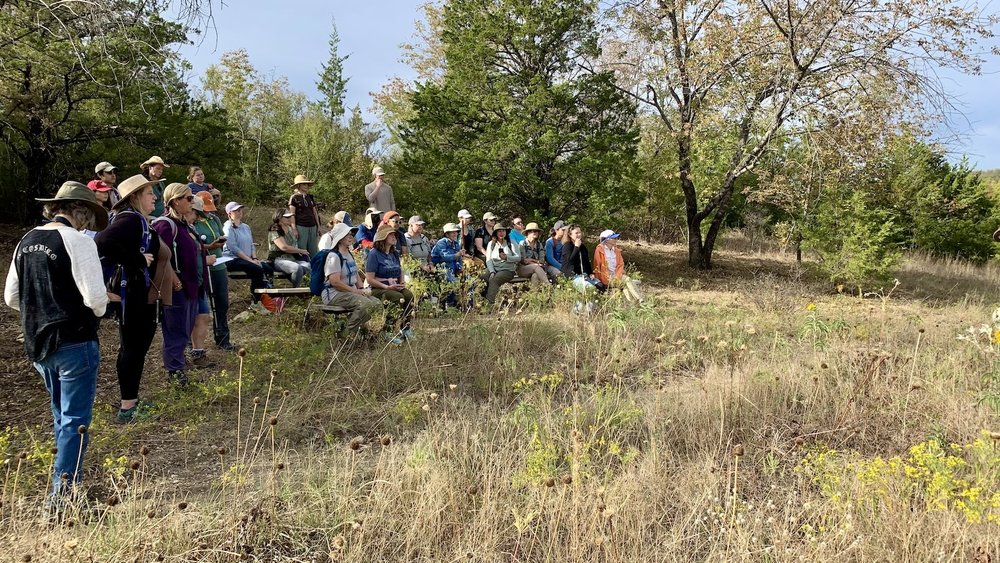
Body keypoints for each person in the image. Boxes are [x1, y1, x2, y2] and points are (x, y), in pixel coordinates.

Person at [4, 182, 109, 501]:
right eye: (89, 216)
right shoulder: (78, 241)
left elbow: (11, 296)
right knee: (75, 422)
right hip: (74, 341)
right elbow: (96, 300)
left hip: (39, 343)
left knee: (62, 417)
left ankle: (65, 483)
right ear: (83, 213)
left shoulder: (27, 239)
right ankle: (62, 497)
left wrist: (44, 305)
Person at [96, 174, 176, 424]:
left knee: (136, 348)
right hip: (132, 294)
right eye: (149, 193)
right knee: (132, 348)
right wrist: (137, 259)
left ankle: (131, 400)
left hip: (139, 293)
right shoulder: (130, 218)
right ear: (134, 197)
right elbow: (103, 240)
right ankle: (127, 406)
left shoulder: (138, 219)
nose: (154, 196)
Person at [153, 183, 213, 385]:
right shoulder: (165, 225)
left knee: (184, 329)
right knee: (176, 330)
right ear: (175, 201)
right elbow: (161, 257)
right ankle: (175, 372)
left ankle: (178, 367)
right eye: (188, 198)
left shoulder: (185, 225)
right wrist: (175, 281)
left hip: (192, 286)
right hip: (177, 289)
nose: (192, 202)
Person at [321, 223, 382, 338]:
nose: (351, 236)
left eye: (351, 234)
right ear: (339, 237)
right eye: (347, 234)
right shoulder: (333, 256)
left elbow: (355, 275)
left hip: (349, 292)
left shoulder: (349, 254)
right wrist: (356, 292)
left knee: (377, 304)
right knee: (366, 304)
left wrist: (361, 289)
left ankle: (355, 330)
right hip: (334, 294)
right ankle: (346, 334)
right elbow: (335, 283)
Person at [191, 192, 235, 351]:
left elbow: (221, 236)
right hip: (202, 266)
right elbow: (192, 245)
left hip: (219, 264)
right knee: (200, 306)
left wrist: (220, 243)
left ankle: (223, 337)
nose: (209, 212)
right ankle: (193, 343)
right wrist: (208, 247)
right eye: (206, 209)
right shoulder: (192, 222)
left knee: (222, 303)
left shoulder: (214, 219)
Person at [365, 225, 414, 344]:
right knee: (397, 298)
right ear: (383, 237)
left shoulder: (394, 253)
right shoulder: (374, 254)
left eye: (394, 235)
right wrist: (386, 287)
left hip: (394, 286)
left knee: (409, 296)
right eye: (390, 235)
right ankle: (387, 330)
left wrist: (401, 282)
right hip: (378, 288)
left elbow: (400, 270)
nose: (394, 237)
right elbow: (369, 279)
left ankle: (405, 328)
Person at [223, 202, 275, 314]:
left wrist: (255, 258)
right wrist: (250, 261)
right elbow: (234, 248)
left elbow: (251, 244)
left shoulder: (245, 227)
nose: (239, 212)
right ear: (229, 213)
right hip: (232, 259)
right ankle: (255, 302)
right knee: (257, 269)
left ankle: (269, 299)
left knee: (269, 268)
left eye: (240, 209)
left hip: (248, 259)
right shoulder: (228, 227)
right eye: (236, 210)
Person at [560, 224, 605, 313]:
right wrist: (576, 247)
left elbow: (586, 262)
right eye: (576, 233)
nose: (579, 235)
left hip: (584, 275)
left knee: (600, 286)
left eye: (580, 232)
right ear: (570, 234)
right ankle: (585, 311)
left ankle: (593, 309)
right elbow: (570, 262)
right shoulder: (567, 246)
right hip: (572, 276)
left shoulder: (583, 247)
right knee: (589, 289)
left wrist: (590, 273)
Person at [593, 229, 644, 302]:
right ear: (606, 240)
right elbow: (597, 265)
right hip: (606, 277)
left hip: (617, 275)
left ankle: (633, 304)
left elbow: (620, 264)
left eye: (615, 237)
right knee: (627, 280)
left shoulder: (616, 250)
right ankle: (640, 299)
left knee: (625, 284)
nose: (616, 239)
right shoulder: (599, 250)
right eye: (613, 238)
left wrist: (619, 274)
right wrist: (599, 280)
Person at [267, 209, 311, 287]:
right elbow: (284, 247)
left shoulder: (290, 229)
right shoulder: (274, 230)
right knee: (296, 268)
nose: (290, 218)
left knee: (307, 266)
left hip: (291, 258)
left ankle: (305, 289)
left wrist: (300, 253)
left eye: (290, 216)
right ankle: (296, 290)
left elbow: (294, 245)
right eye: (287, 217)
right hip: (278, 259)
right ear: (280, 218)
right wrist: (300, 250)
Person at [484, 223, 520, 303]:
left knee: (494, 280)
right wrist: (492, 271)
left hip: (508, 270)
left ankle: (490, 303)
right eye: (499, 231)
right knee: (482, 276)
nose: (501, 233)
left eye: (503, 231)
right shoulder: (491, 244)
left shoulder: (511, 242)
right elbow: (488, 259)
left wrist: (507, 257)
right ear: (495, 233)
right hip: (494, 268)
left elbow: (518, 257)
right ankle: (481, 300)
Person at [288, 174, 321, 256]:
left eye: (307, 184)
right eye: (304, 184)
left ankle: (313, 267)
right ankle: (304, 267)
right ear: (298, 185)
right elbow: (292, 214)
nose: (306, 186)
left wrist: (319, 226)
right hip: (301, 226)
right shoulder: (294, 198)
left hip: (312, 226)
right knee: (302, 250)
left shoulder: (310, 197)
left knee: (313, 250)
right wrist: (294, 228)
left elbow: (315, 213)